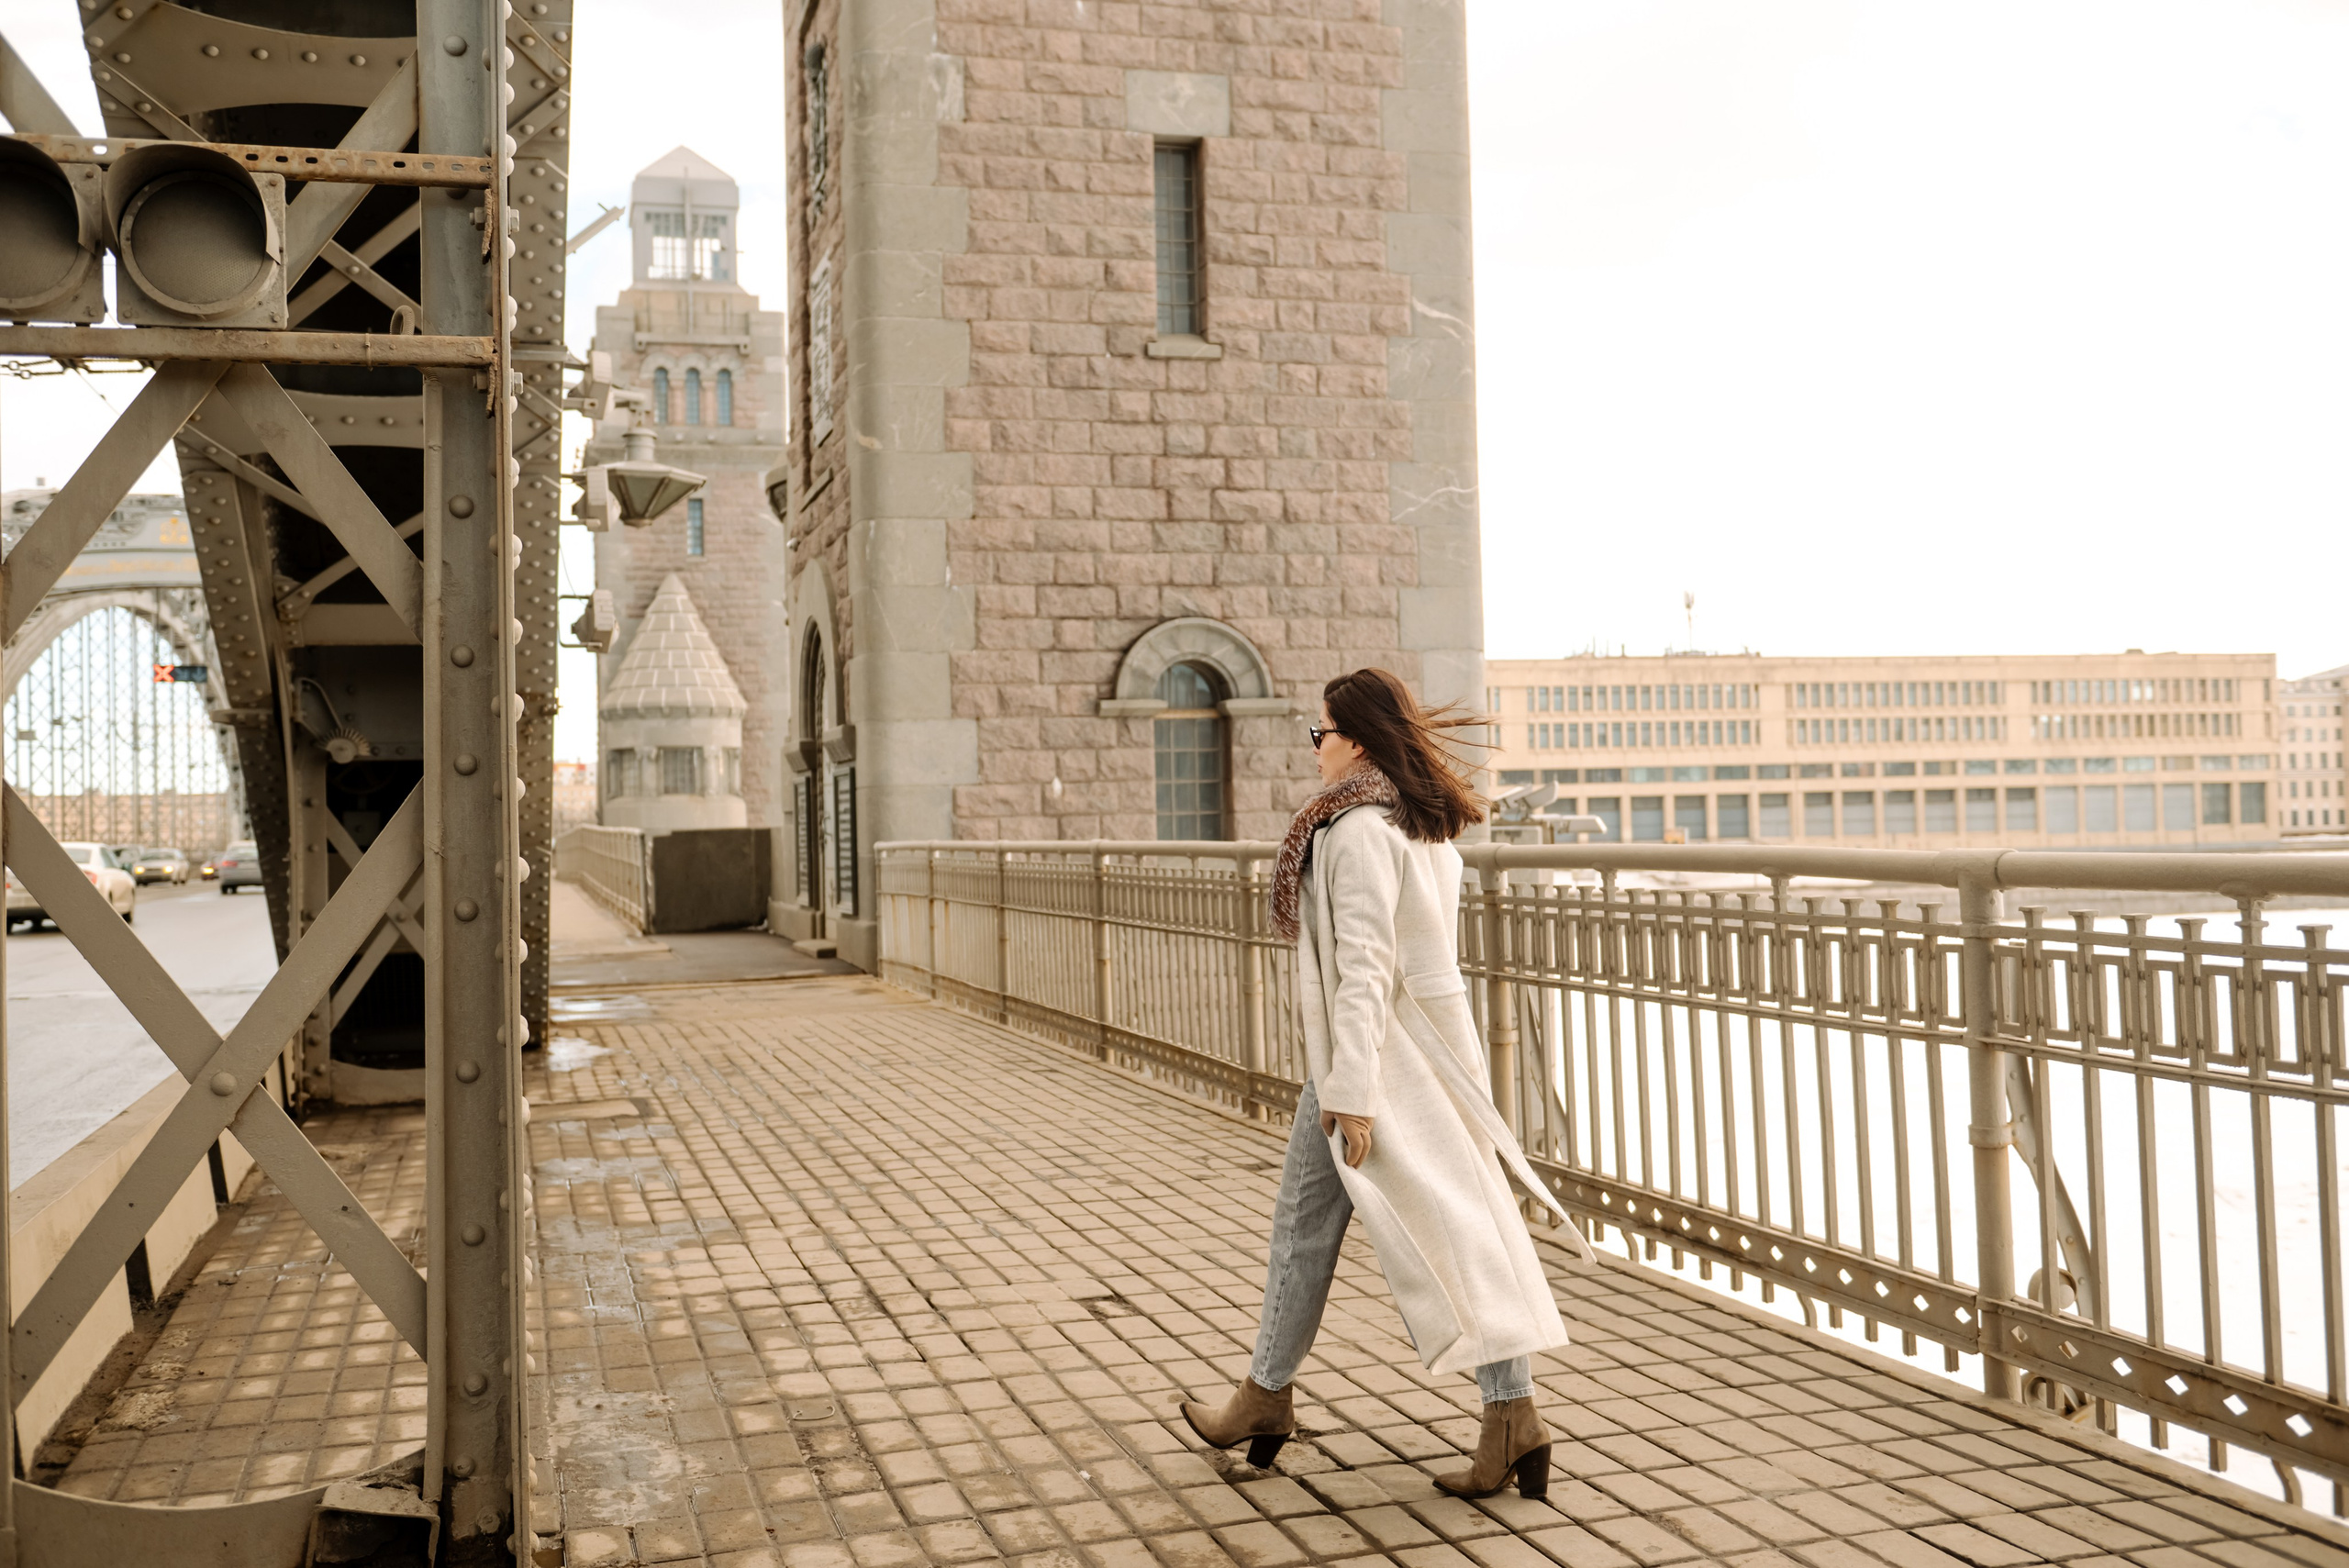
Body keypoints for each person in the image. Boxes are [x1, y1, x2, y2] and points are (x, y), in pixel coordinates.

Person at [1178, 668, 1586, 1499]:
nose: (1315, 747)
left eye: (1319, 732)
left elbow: (1365, 969)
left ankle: (1268, 1399)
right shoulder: (1420, 822)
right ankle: (1509, 1415)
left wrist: (1351, 1092)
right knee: (1454, 1223)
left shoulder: (1358, 829)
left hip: (1372, 1063)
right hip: (1425, 1053)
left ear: (1355, 740)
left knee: (1327, 1228)